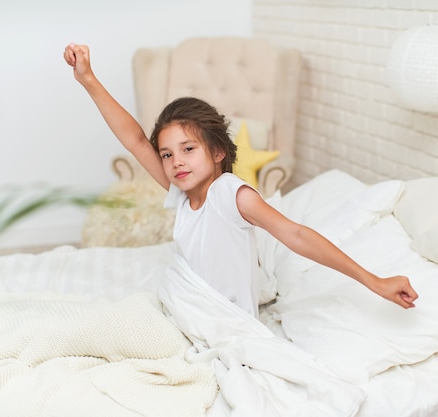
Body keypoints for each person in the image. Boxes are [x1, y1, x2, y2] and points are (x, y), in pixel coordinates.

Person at [63, 42, 418, 317]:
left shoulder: (230, 194)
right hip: (189, 303)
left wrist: (375, 281)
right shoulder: (183, 194)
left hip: (223, 318)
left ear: (218, 153)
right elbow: (137, 140)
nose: (175, 161)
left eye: (188, 149)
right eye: (168, 154)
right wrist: (88, 80)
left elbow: (296, 234)